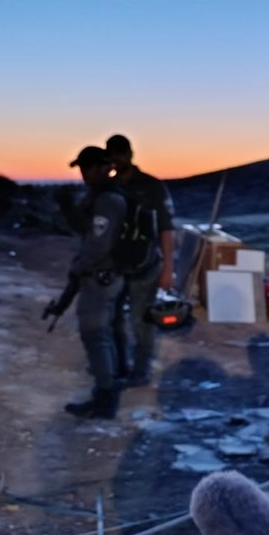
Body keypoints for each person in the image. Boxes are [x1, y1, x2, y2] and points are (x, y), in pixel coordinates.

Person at [104, 133, 175, 387]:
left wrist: (168, 268)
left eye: (120, 153)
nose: (116, 159)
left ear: (130, 154)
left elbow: (166, 229)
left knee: (141, 320)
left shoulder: (152, 186)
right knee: (112, 318)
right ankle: (119, 365)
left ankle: (141, 370)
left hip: (144, 267)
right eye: (111, 154)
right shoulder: (108, 189)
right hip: (114, 265)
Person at [62, 146, 126, 420]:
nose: (83, 174)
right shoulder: (104, 196)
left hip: (101, 277)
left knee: (95, 336)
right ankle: (106, 393)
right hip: (107, 275)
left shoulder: (108, 200)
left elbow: (98, 245)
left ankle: (104, 399)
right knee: (102, 336)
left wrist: (79, 268)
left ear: (101, 168)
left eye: (87, 168)